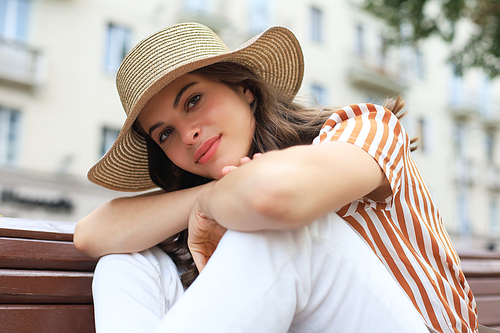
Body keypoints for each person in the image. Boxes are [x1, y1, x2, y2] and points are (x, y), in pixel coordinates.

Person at [74, 22, 478, 333]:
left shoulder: (364, 127)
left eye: (194, 100)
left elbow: (275, 196)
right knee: (130, 262)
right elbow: (91, 234)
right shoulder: (210, 207)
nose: (188, 135)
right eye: (165, 133)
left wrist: (222, 199)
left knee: (283, 229)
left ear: (245, 89)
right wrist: (211, 196)